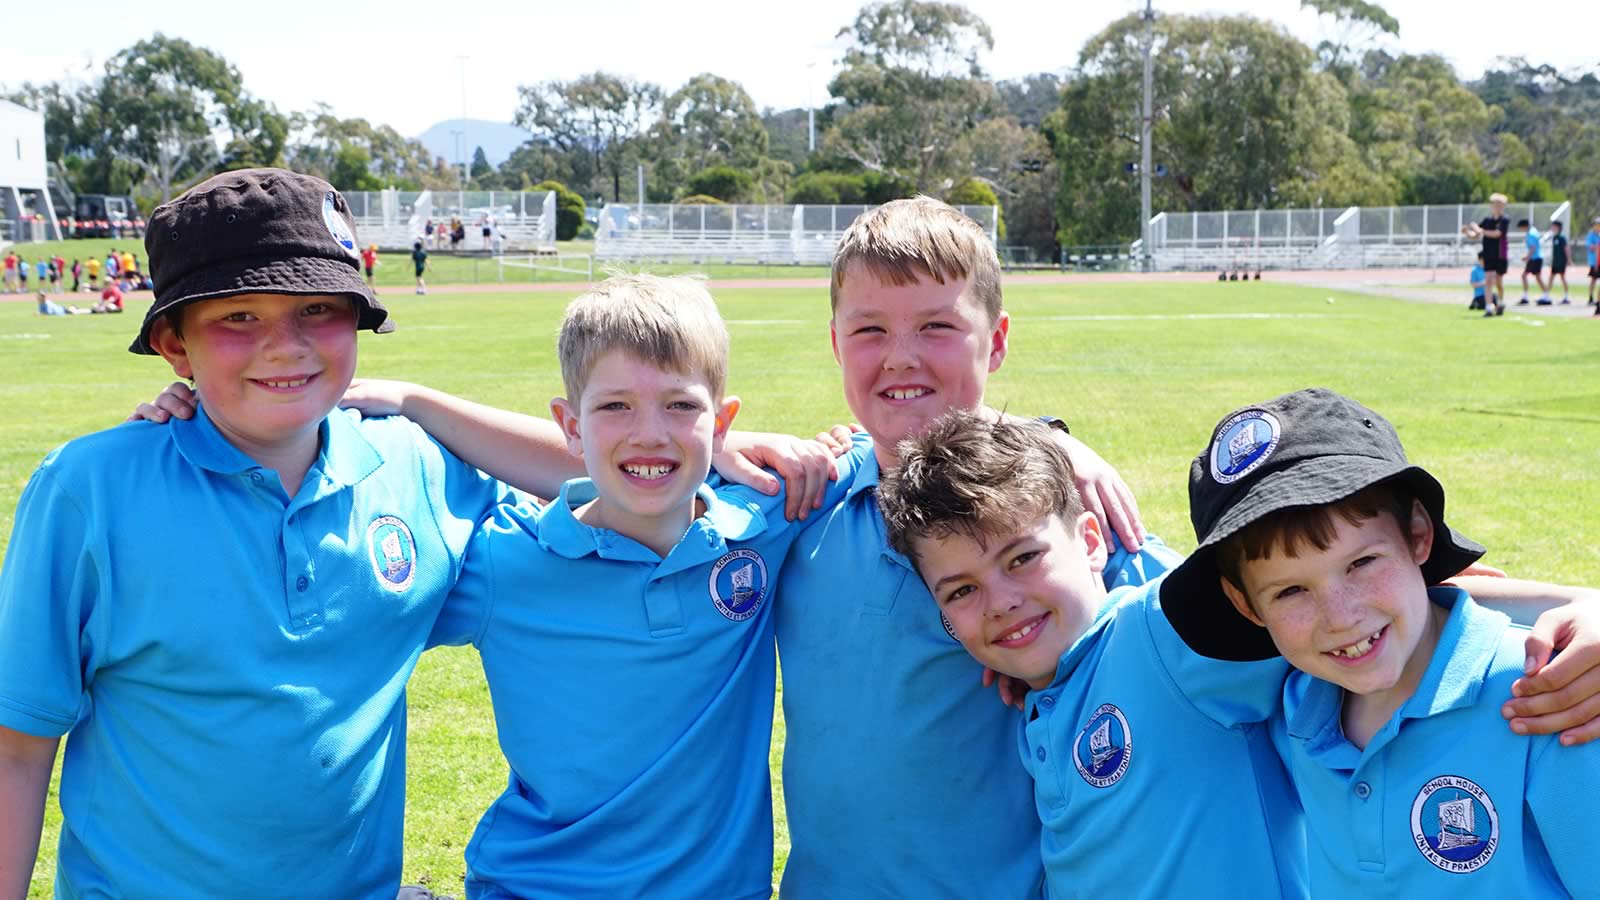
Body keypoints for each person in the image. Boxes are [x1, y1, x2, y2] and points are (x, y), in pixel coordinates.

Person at [0, 168, 528, 897]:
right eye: (238, 317)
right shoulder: (90, 489)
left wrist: (701, 450)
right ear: (174, 347)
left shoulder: (419, 470)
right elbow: (18, 749)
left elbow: (612, 485)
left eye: (317, 308)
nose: (285, 345)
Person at [424, 273, 870, 897]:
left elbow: (894, 441)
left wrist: (1057, 446)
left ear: (723, 423)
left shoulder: (766, 523)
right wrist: (413, 402)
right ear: (569, 426)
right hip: (536, 887)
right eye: (615, 407)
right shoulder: (503, 560)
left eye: (681, 405)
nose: (650, 433)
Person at [772, 197, 1167, 898]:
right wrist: (727, 444)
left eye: (938, 326)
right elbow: (628, 479)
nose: (901, 357)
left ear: (999, 338)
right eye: (870, 330)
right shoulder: (804, 506)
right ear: (835, 342)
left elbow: (1248, 619)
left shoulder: (1062, 519)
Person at [1161, 388, 1600, 897]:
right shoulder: (1299, 702)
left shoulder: (1552, 693)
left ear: (1419, 534)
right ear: (1246, 605)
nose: (1341, 617)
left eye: (1362, 563)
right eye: (1291, 591)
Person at [875, 411, 1305, 899]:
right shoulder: (1041, 699)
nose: (1001, 604)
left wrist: (1048, 434)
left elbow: (1295, 566)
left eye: (1022, 559)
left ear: (1090, 540)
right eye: (961, 592)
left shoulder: (1163, 635)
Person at [1462, 194, 1509, 316]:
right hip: (1488, 254)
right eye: (1495, 205)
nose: (1497, 207)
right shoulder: (1487, 221)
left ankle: (1500, 302)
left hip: (1500, 255)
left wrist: (1479, 230)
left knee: (1498, 281)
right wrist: (1467, 232)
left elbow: (1497, 234)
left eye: (1499, 205)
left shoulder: (1504, 220)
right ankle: (1489, 307)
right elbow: (1475, 235)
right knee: (1488, 280)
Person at [1516, 218, 1548, 305]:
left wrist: (1527, 257)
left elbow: (1533, 247)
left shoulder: (1531, 234)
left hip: (1535, 258)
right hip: (1534, 258)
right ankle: (1526, 296)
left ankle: (1546, 295)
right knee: (1526, 276)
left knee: (1536, 277)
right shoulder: (1533, 231)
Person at [1548, 220, 1570, 304]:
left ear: (1558, 228)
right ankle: (1547, 295)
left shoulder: (1562, 238)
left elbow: (1566, 249)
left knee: (1562, 277)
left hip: (1561, 261)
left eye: (1554, 226)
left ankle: (1566, 296)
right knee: (1551, 277)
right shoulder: (1554, 238)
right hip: (1555, 262)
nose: (1552, 228)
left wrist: (1568, 259)